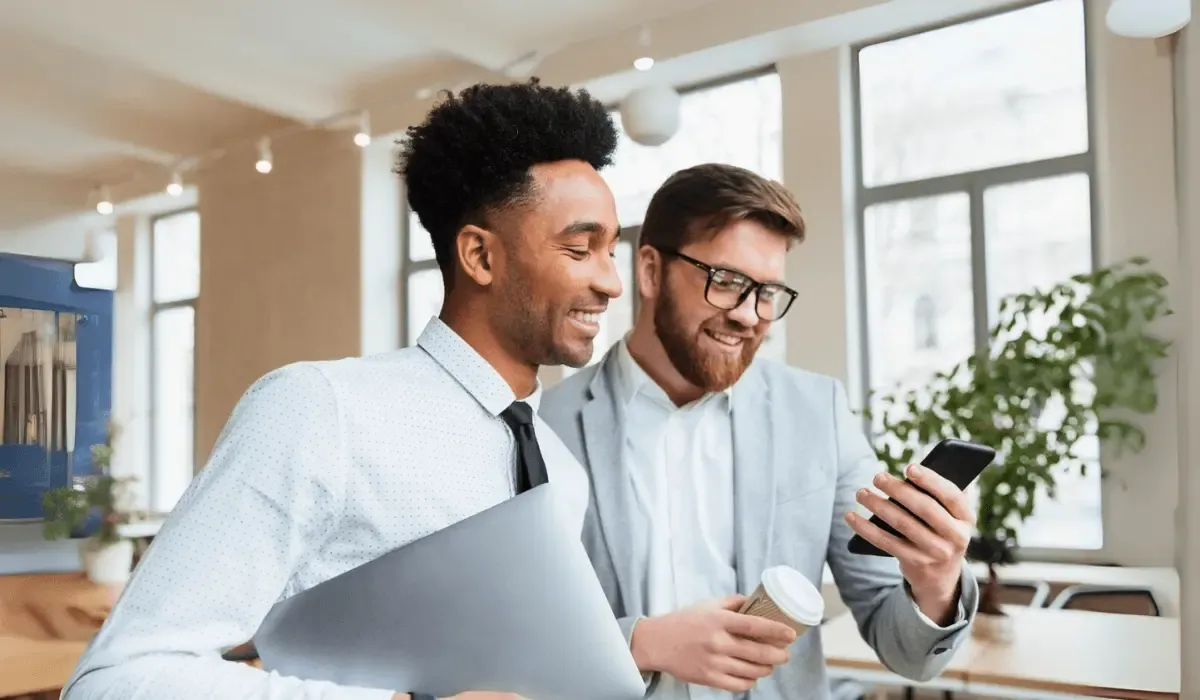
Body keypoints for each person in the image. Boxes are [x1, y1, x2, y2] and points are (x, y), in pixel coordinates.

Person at [63, 79, 625, 700]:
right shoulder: (321, 411)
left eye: (612, 251)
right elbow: (115, 681)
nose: (611, 283)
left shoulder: (562, 475)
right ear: (480, 257)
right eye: (581, 248)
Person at [539, 163, 979, 700]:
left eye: (767, 292)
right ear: (650, 271)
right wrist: (640, 642)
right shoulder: (544, 426)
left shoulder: (819, 413)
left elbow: (907, 650)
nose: (750, 315)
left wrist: (935, 583)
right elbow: (520, 637)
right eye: (725, 281)